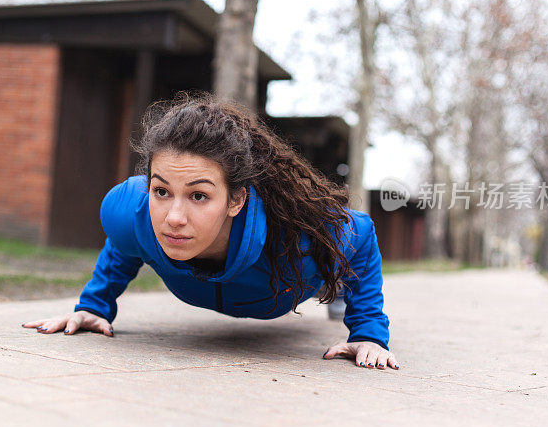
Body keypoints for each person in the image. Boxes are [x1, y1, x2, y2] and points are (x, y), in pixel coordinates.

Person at [23, 91, 400, 370]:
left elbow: (362, 235)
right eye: (161, 190)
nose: (173, 216)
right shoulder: (133, 211)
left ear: (236, 200)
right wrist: (94, 306)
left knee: (333, 269)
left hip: (293, 279)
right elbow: (126, 241)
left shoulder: (300, 239)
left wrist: (367, 331)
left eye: (199, 195)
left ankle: (333, 291)